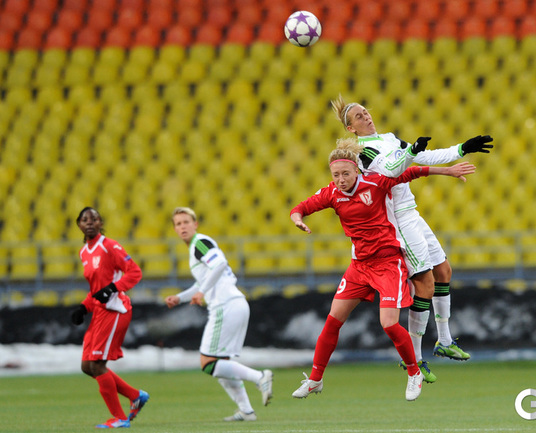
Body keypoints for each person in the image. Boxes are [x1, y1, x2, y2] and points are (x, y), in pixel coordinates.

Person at [290, 139, 476, 401]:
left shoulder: (376, 183)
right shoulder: (331, 193)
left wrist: (448, 171)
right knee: (332, 322)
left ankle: (414, 373)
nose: (341, 180)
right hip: (359, 267)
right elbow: (300, 208)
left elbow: (411, 172)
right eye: (336, 175)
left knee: (388, 324)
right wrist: (298, 219)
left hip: (388, 264)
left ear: (357, 170)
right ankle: (315, 379)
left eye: (346, 174)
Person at [331, 95, 494, 382]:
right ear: (351, 129)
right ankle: (414, 359)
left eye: (366, 112)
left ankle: (445, 341)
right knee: (425, 284)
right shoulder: (361, 153)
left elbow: (422, 157)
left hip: (412, 212)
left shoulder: (389, 139)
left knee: (444, 271)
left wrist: (461, 148)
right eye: (358, 116)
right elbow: (391, 169)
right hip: (397, 220)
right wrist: (410, 152)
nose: (366, 116)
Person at [165, 207, 273, 422]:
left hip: (225, 305)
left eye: (186, 222)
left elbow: (220, 264)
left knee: (208, 363)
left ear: (195, 224)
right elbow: (204, 280)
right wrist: (180, 297)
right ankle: (246, 411)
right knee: (220, 364)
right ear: (175, 229)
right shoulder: (196, 248)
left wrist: (202, 292)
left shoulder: (199, 242)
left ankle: (260, 377)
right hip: (234, 303)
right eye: (178, 224)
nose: (182, 226)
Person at [70, 207, 149, 429]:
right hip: (99, 311)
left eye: (94, 219)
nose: (89, 222)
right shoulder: (84, 252)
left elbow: (135, 272)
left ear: (100, 223)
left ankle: (120, 418)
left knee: (97, 365)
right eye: (85, 219)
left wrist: (113, 288)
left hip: (115, 310)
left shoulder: (109, 246)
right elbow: (96, 288)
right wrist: (84, 308)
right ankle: (135, 395)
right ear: (79, 224)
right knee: (87, 366)